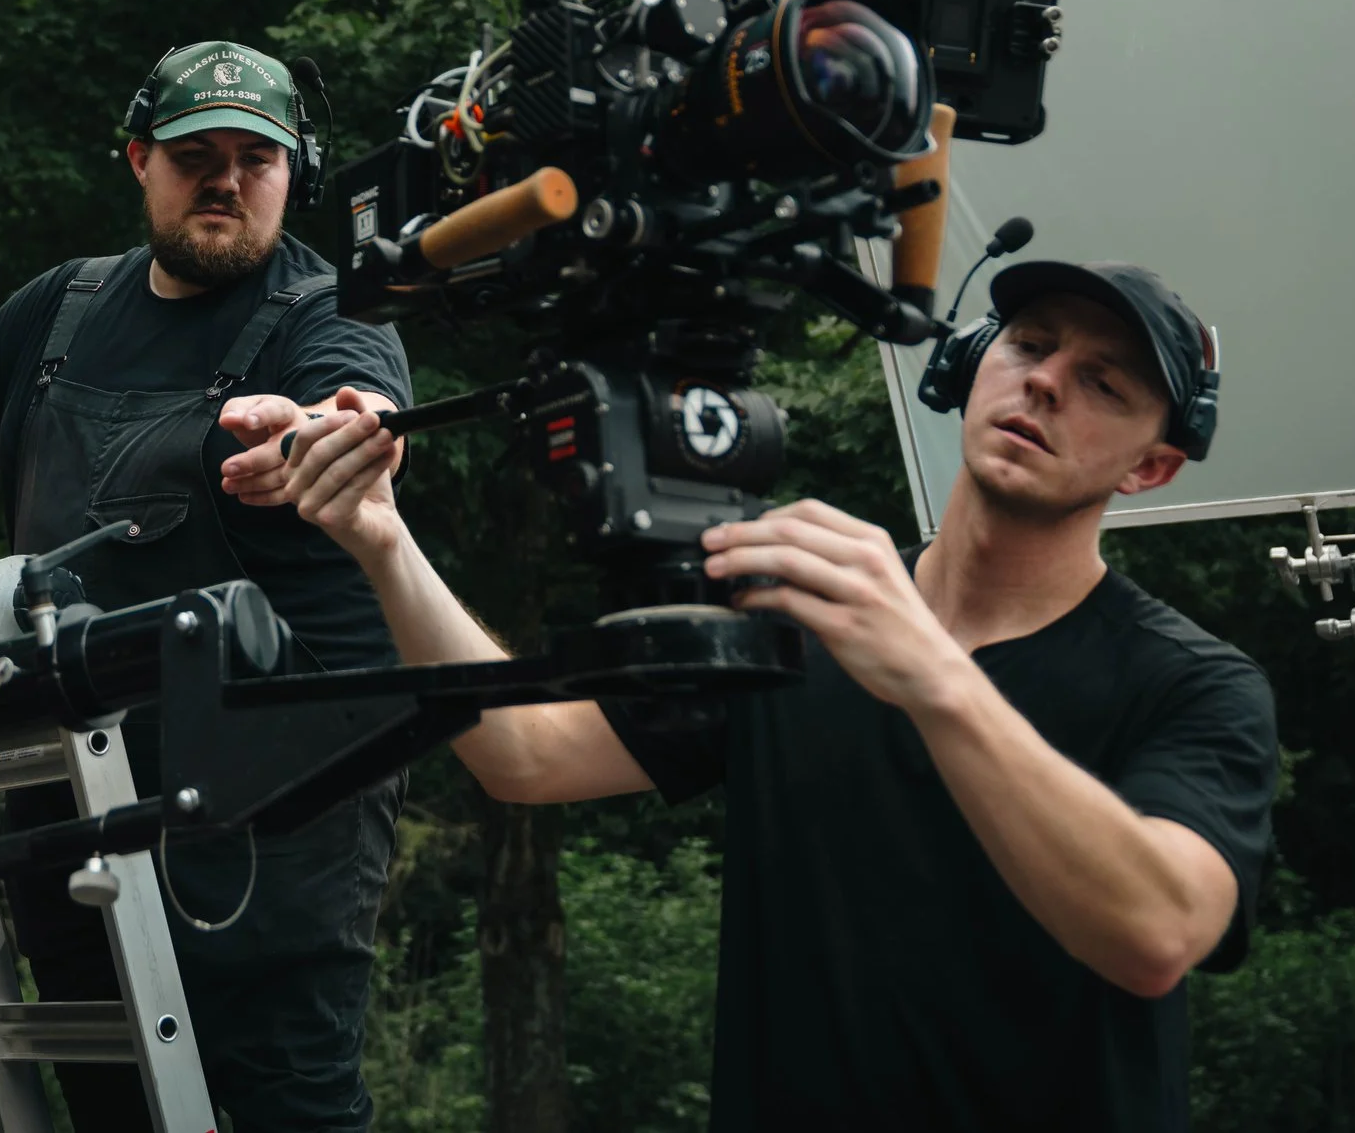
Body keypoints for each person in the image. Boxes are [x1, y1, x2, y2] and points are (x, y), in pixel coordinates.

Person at [273, 259, 1278, 1132]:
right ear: (970, 361)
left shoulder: (1192, 683)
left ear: (1149, 463)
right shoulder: (803, 604)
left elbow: (1155, 931)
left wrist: (933, 675)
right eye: (1029, 342)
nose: (1047, 379)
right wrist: (381, 538)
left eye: (1101, 380)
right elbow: (525, 755)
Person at [0, 41, 414, 1129]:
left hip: (276, 794)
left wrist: (314, 438)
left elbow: (362, 419)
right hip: (68, 773)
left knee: (280, 1096)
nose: (228, 179)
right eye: (198, 153)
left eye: (257, 157)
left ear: (296, 174)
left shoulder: (329, 313)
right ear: (140, 158)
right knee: (110, 1096)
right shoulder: (62, 305)